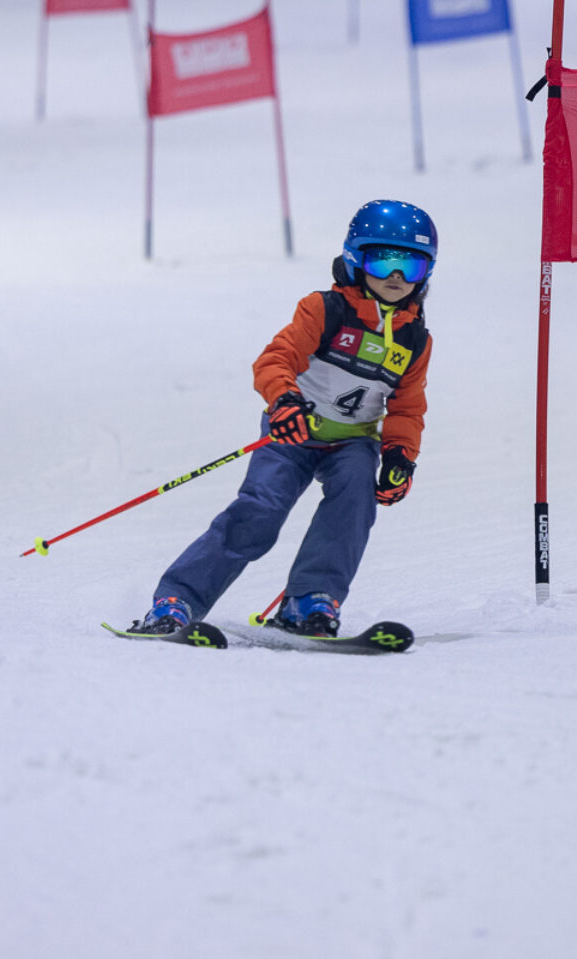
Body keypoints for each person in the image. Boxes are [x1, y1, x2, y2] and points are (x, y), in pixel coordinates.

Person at [133, 199, 437, 638]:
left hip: (353, 442)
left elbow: (408, 407)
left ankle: (309, 600)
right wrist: (285, 402)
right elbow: (275, 360)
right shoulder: (325, 309)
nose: (395, 277)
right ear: (355, 259)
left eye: (410, 266)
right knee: (260, 511)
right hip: (293, 430)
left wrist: (399, 458)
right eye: (383, 260)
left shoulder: (415, 340)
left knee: (355, 502)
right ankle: (177, 600)